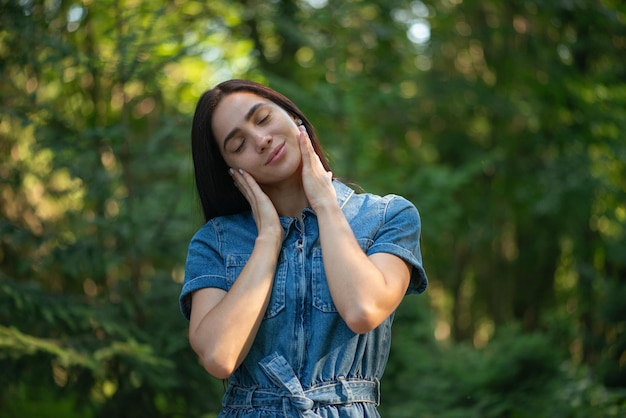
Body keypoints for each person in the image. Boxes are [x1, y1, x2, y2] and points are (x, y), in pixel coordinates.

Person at [179, 79, 428, 417]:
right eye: (239, 144)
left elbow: (363, 309)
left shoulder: (388, 216)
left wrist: (325, 203)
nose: (262, 140)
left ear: (294, 117)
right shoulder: (216, 242)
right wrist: (268, 237)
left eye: (264, 118)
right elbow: (220, 355)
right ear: (233, 171)